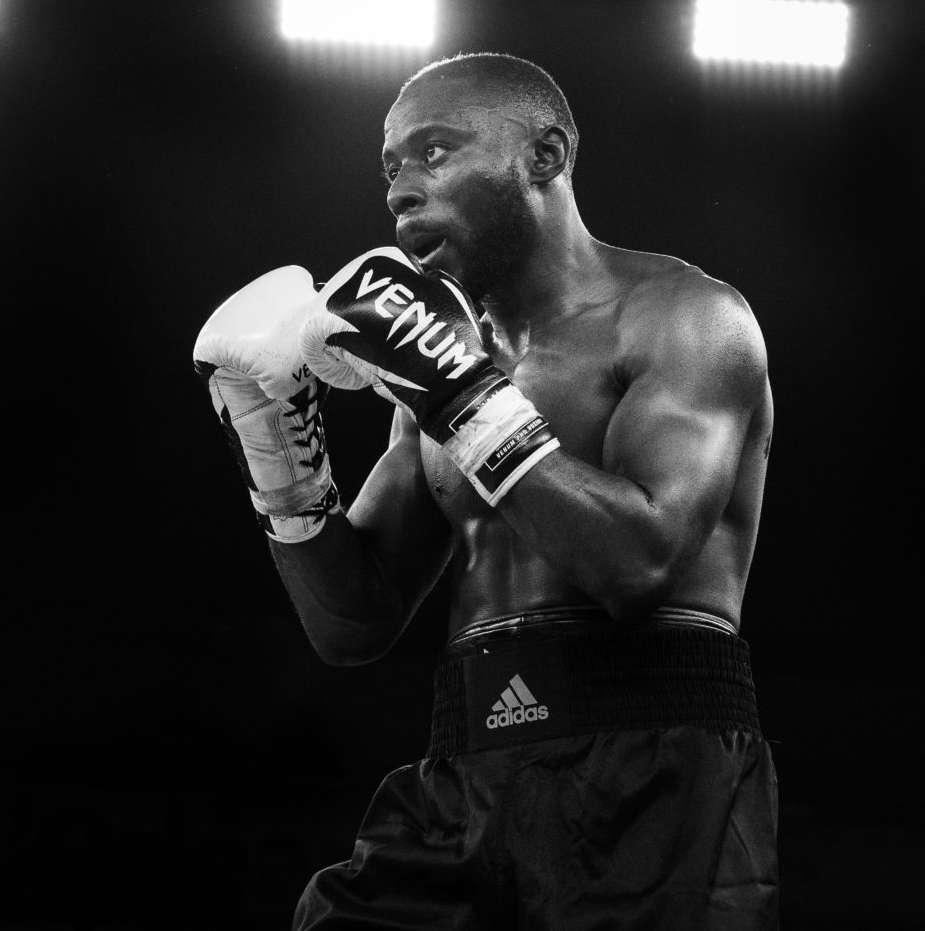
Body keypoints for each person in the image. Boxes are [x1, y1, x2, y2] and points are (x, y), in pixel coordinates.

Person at [194, 52, 778, 929]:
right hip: (467, 768)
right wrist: (275, 448)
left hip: (654, 768)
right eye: (391, 169)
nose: (401, 192)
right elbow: (353, 625)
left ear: (544, 157)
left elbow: (638, 566)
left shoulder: (685, 318)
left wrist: (458, 391)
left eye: (434, 153)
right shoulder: (440, 375)